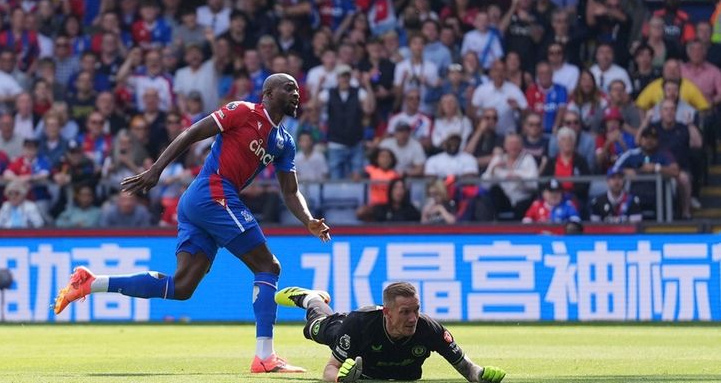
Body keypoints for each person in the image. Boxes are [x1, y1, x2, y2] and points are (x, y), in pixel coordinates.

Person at [53, 74, 331, 374]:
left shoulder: (284, 142)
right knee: (268, 267)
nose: (296, 93)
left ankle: (91, 283)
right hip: (212, 192)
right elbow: (192, 133)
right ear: (268, 93)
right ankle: (265, 356)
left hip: (202, 202)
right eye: (288, 88)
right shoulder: (242, 111)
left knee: (182, 286)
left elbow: (290, 191)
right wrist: (156, 169)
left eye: (297, 89)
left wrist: (309, 221)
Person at [274, 282, 506, 382]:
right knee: (315, 327)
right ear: (387, 312)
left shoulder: (429, 329)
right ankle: (311, 298)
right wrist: (339, 379)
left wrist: (481, 374)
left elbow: (466, 368)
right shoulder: (358, 326)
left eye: (416, 310)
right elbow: (330, 369)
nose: (413, 318)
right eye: (405, 312)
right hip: (347, 327)